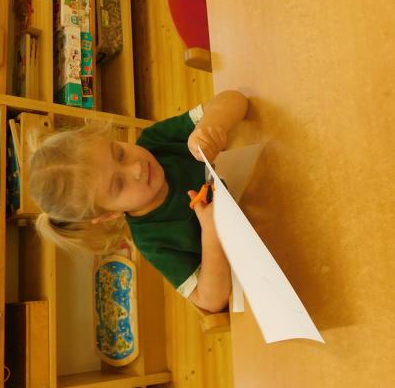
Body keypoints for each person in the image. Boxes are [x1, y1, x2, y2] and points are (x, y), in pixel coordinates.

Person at [29, 90, 249, 313]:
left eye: (120, 154)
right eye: (119, 184)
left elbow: (234, 99)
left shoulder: (155, 141)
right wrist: (211, 233)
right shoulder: (151, 240)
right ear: (109, 214)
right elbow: (211, 300)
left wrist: (210, 126)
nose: (137, 168)